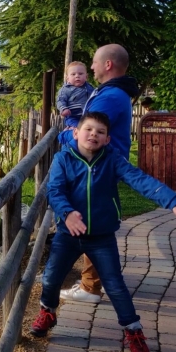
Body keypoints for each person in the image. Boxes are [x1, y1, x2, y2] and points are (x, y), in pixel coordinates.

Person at [32, 111, 176, 352]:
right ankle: (48, 311)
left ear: (107, 139)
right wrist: (67, 213)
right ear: (76, 133)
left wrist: (172, 202)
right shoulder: (63, 158)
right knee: (50, 278)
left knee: (115, 286)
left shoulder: (112, 159)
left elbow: (140, 180)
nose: (94, 135)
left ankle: (133, 332)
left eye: (100, 132)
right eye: (88, 129)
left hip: (101, 237)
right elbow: (55, 190)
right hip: (68, 235)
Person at [58, 44, 139, 304]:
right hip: (99, 166)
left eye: (94, 62)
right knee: (92, 222)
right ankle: (90, 282)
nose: (91, 67)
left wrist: (63, 136)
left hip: (98, 167)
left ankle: (90, 287)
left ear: (107, 65)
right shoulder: (110, 92)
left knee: (91, 225)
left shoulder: (109, 97)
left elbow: (86, 136)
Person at [56, 61, 94, 128]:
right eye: (73, 74)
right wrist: (63, 109)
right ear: (68, 78)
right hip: (73, 116)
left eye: (80, 74)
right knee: (77, 127)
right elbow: (60, 100)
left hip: (88, 116)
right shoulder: (66, 89)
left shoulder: (90, 88)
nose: (77, 76)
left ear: (86, 76)